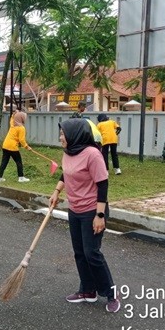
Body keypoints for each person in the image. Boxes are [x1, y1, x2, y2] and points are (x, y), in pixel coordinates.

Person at [49, 118, 120, 313]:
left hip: (92, 210)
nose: (60, 137)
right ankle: (88, 290)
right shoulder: (68, 152)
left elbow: (102, 184)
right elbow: (66, 173)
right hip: (75, 210)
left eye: (63, 134)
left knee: (92, 253)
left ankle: (111, 294)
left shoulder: (92, 154)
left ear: (74, 134)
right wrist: (56, 191)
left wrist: (99, 214)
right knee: (80, 253)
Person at [0, 111, 32, 183]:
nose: (25, 119)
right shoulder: (21, 128)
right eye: (24, 117)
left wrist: (13, 114)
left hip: (5, 145)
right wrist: (27, 147)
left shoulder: (13, 124)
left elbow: (12, 119)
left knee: (4, 162)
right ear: (22, 118)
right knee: (19, 162)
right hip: (12, 147)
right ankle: (21, 178)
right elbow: (21, 140)